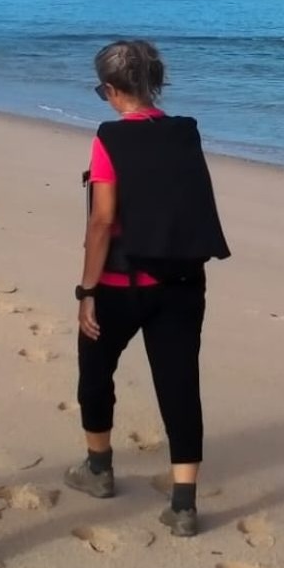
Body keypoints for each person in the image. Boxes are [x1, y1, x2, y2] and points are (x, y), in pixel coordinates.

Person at [65, 39, 231, 537]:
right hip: (183, 281)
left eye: (103, 91)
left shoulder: (110, 138)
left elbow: (102, 221)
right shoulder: (185, 134)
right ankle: (183, 504)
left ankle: (98, 469)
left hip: (120, 282)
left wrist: (86, 290)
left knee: (95, 372)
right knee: (179, 383)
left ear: (114, 90)